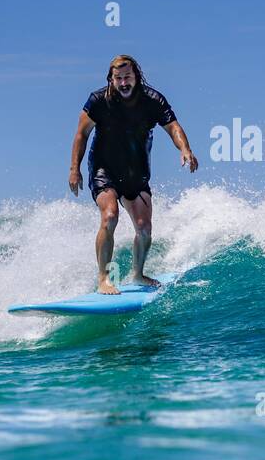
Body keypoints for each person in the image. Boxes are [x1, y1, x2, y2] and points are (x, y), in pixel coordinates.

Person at [69, 55, 198, 294]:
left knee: (144, 227)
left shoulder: (153, 100)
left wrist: (185, 149)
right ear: (111, 79)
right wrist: (74, 169)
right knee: (109, 216)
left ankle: (137, 275)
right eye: (118, 78)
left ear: (136, 76)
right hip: (103, 169)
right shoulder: (98, 100)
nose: (123, 82)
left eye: (127, 77)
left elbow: (173, 127)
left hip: (136, 171)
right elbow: (81, 135)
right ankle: (103, 279)